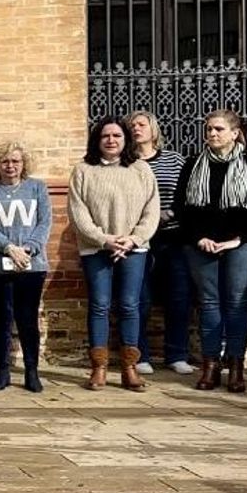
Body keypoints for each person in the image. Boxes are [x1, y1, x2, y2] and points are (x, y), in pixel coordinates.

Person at [69, 116, 159, 392]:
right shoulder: (84, 170)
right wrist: (105, 240)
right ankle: (99, 368)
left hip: (133, 249)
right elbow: (78, 213)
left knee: (130, 305)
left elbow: (151, 210)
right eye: (105, 136)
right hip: (97, 248)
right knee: (99, 305)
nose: (111, 140)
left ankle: (129, 368)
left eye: (117, 136)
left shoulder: (141, 169)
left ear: (125, 140)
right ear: (97, 140)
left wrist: (132, 240)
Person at [175, 109, 247, 393]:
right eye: (209, 129)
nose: (212, 133)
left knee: (236, 304)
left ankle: (235, 365)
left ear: (235, 133)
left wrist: (238, 239)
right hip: (201, 245)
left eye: (219, 129)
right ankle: (210, 365)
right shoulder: (193, 165)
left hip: (242, 244)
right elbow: (182, 209)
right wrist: (199, 237)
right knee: (209, 303)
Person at [0, 140, 53, 393]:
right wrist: (9, 248)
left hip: (32, 264)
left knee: (28, 319)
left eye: (15, 161)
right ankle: (2, 371)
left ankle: (31, 371)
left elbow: (44, 223)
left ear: (24, 163)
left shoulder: (37, 188)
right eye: (5, 161)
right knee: (1, 318)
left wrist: (28, 248)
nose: (10, 166)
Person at [128, 110, 193, 376]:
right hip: (140, 239)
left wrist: (170, 213)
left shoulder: (174, 160)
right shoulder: (127, 163)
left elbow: (186, 194)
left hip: (172, 237)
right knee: (139, 298)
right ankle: (140, 354)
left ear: (154, 130)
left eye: (141, 124)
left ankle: (176, 354)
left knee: (179, 297)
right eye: (132, 125)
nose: (136, 129)